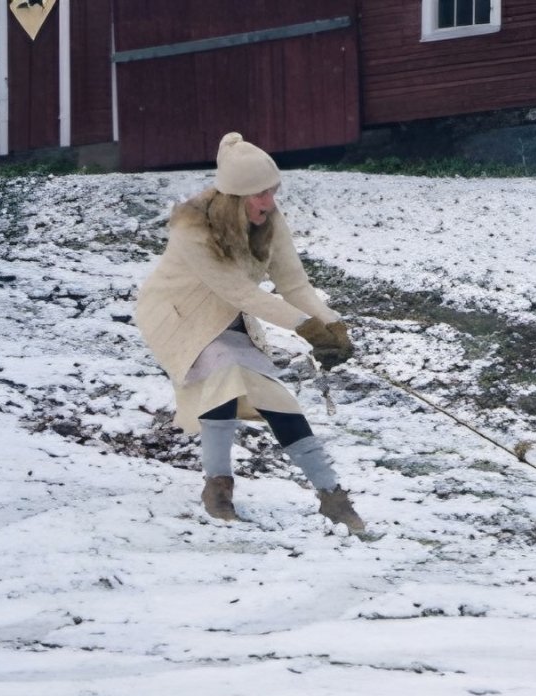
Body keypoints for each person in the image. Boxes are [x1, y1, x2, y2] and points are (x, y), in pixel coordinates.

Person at [135, 131, 367, 534]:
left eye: (273, 191)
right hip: (178, 316)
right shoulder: (193, 227)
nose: (270, 202)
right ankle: (218, 489)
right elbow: (238, 289)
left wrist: (332, 324)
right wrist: (304, 327)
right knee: (223, 380)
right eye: (260, 194)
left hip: (230, 317)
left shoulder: (270, 222)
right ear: (234, 197)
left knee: (275, 396)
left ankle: (333, 497)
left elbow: (294, 286)